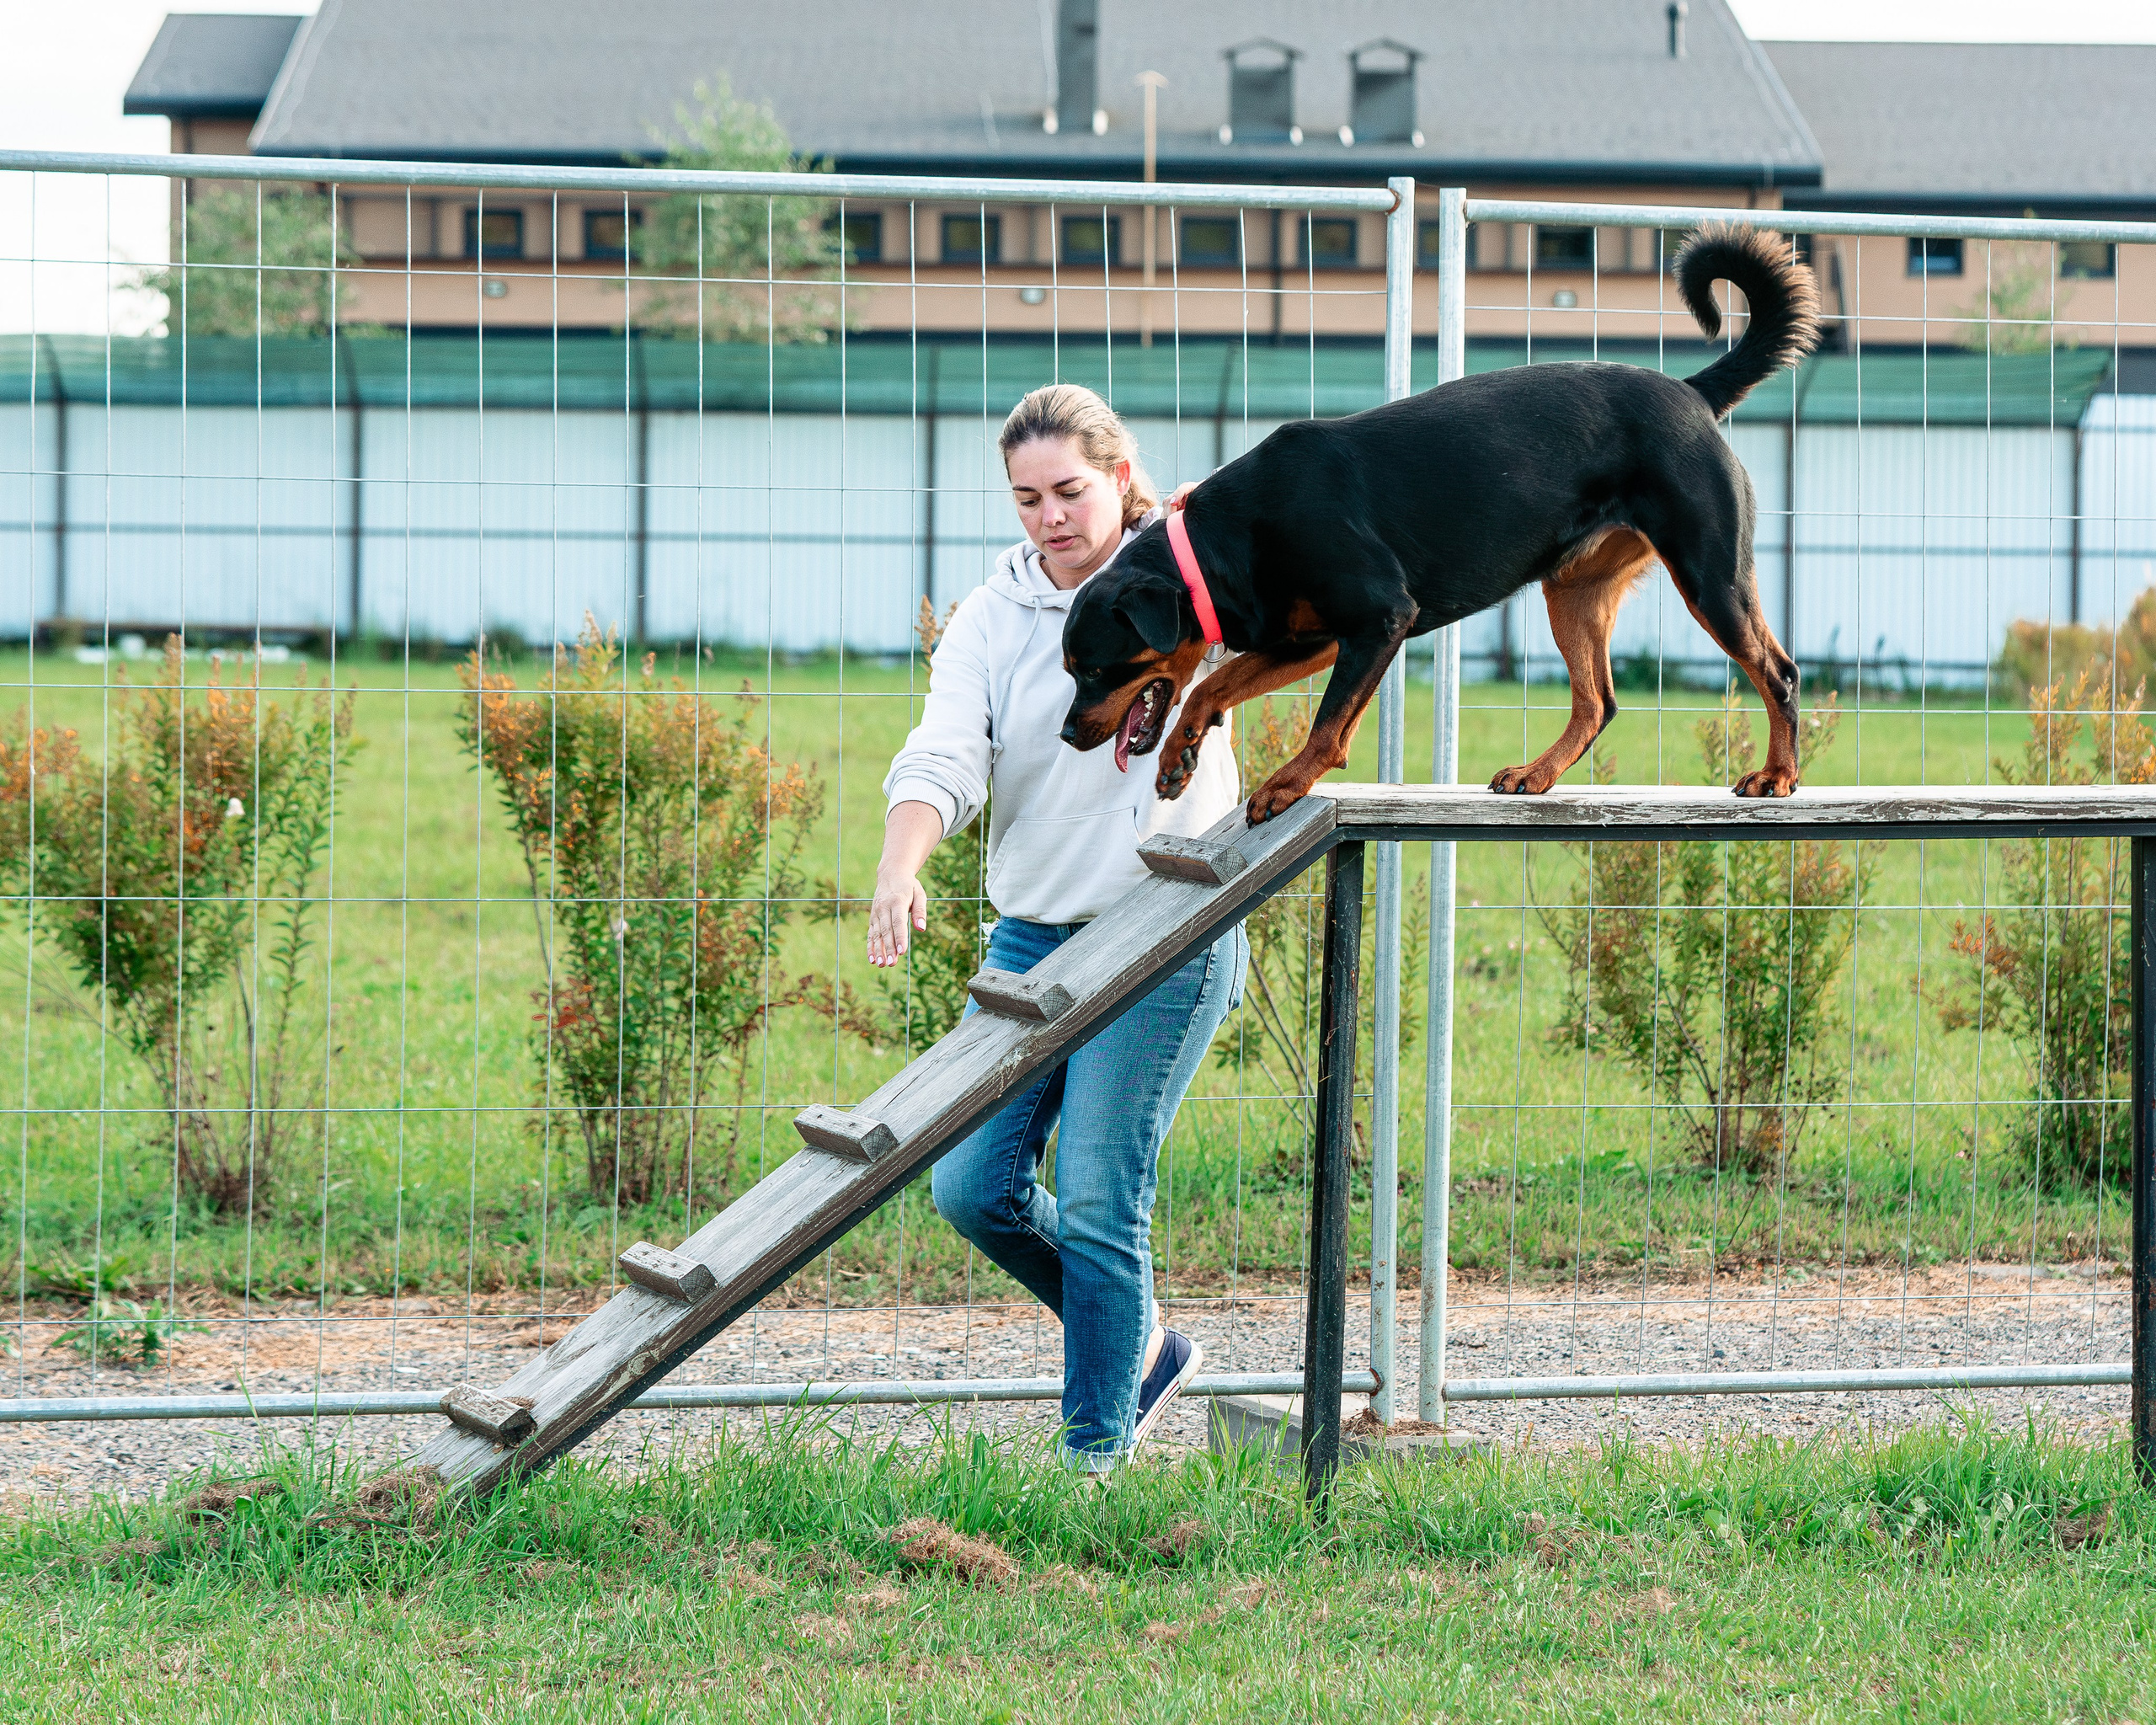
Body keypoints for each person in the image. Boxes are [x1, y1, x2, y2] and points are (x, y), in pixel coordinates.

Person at [868, 382, 1246, 1473]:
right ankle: (1144, 1347)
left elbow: (1291, 594)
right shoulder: (992, 617)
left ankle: (1093, 1461)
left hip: (1169, 928)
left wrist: (1218, 527)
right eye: (1028, 499)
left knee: (1094, 1196)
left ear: (1120, 478)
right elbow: (945, 751)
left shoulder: (1194, 581)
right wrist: (901, 865)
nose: (1051, 517)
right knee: (970, 1189)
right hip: (1034, 938)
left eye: (1071, 491)